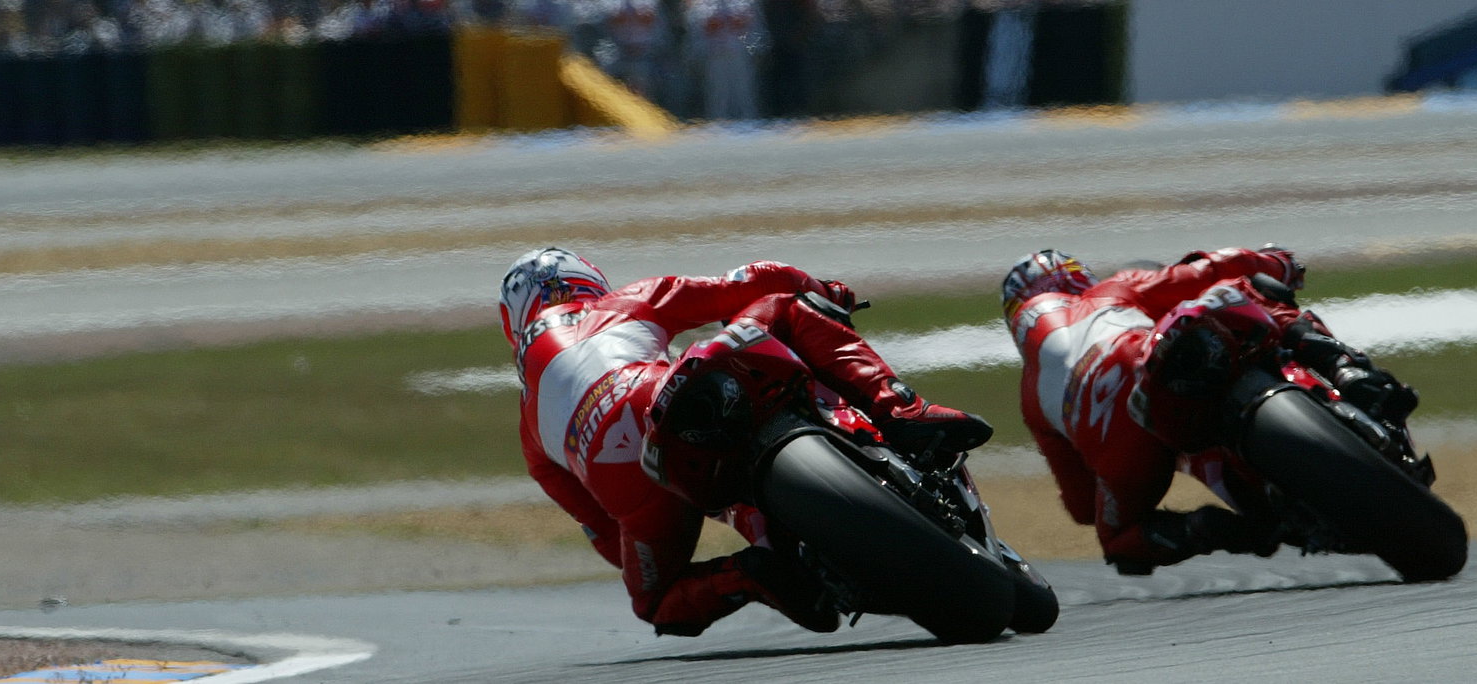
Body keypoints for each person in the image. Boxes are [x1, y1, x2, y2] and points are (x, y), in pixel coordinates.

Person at [502, 247, 992, 637]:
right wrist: (827, 291)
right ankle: (903, 410)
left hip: (636, 492)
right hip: (662, 398)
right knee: (786, 308)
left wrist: (653, 528)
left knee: (655, 602)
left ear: (514, 324)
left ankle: (750, 575)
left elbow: (607, 539)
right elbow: (755, 282)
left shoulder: (528, 430)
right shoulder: (619, 304)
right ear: (589, 282)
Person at [1001, 245, 1417, 575]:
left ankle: (1221, 531)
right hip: (1148, 364)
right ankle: (1343, 368)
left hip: (1130, 452)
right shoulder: (1107, 292)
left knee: (1119, 541)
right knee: (1252, 289)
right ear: (1076, 279)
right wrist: (1276, 262)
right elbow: (1206, 270)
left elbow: (1079, 505)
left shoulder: (1028, 397)